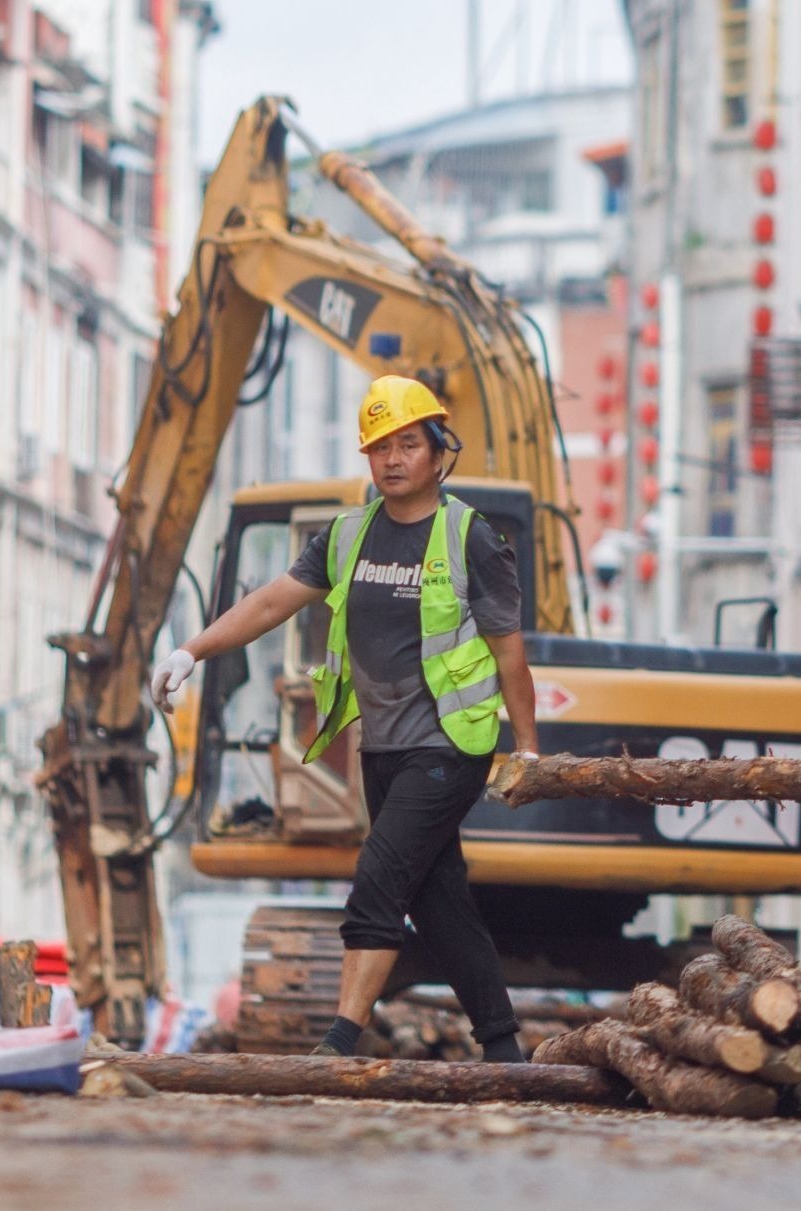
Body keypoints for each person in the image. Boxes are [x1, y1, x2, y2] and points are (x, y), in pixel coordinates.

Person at [148, 375, 541, 1062]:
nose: (392, 459)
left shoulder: (469, 536)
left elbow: (511, 654)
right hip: (382, 748)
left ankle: (338, 1041)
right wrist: (191, 650)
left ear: (438, 449)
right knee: (440, 903)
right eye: (379, 447)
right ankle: (506, 1048)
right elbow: (270, 604)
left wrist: (529, 752)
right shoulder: (347, 536)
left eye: (408, 444)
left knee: (377, 885)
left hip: (451, 744)